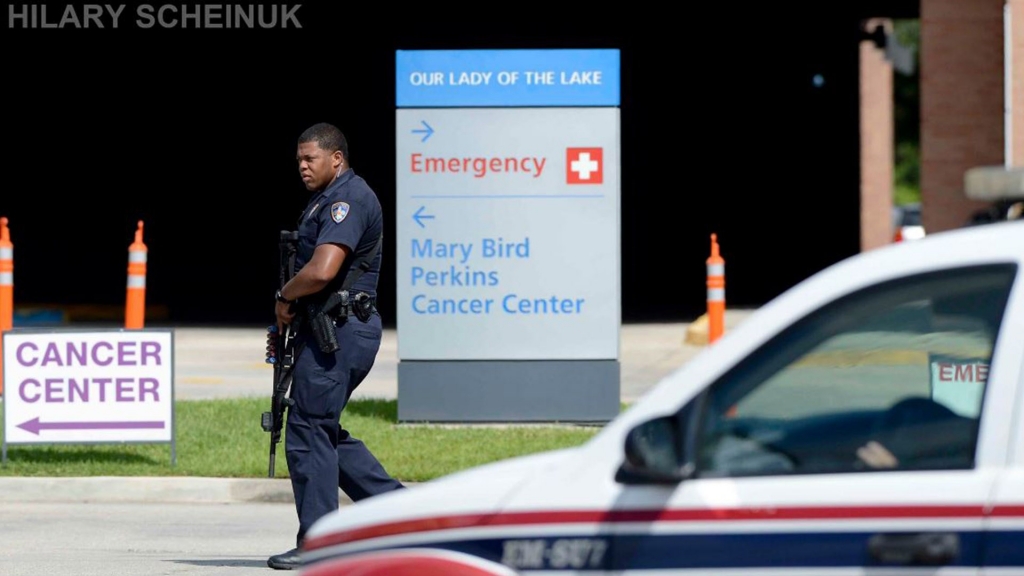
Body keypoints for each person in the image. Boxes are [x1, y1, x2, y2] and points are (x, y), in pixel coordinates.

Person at [268, 122, 404, 570]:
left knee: (308, 428)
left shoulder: (348, 200)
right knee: (320, 427)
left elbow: (324, 270)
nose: (302, 167)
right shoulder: (326, 200)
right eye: (299, 160)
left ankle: (320, 543)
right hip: (332, 329)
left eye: (310, 159)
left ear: (337, 159)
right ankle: (402, 515)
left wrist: (285, 295)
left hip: (342, 332)